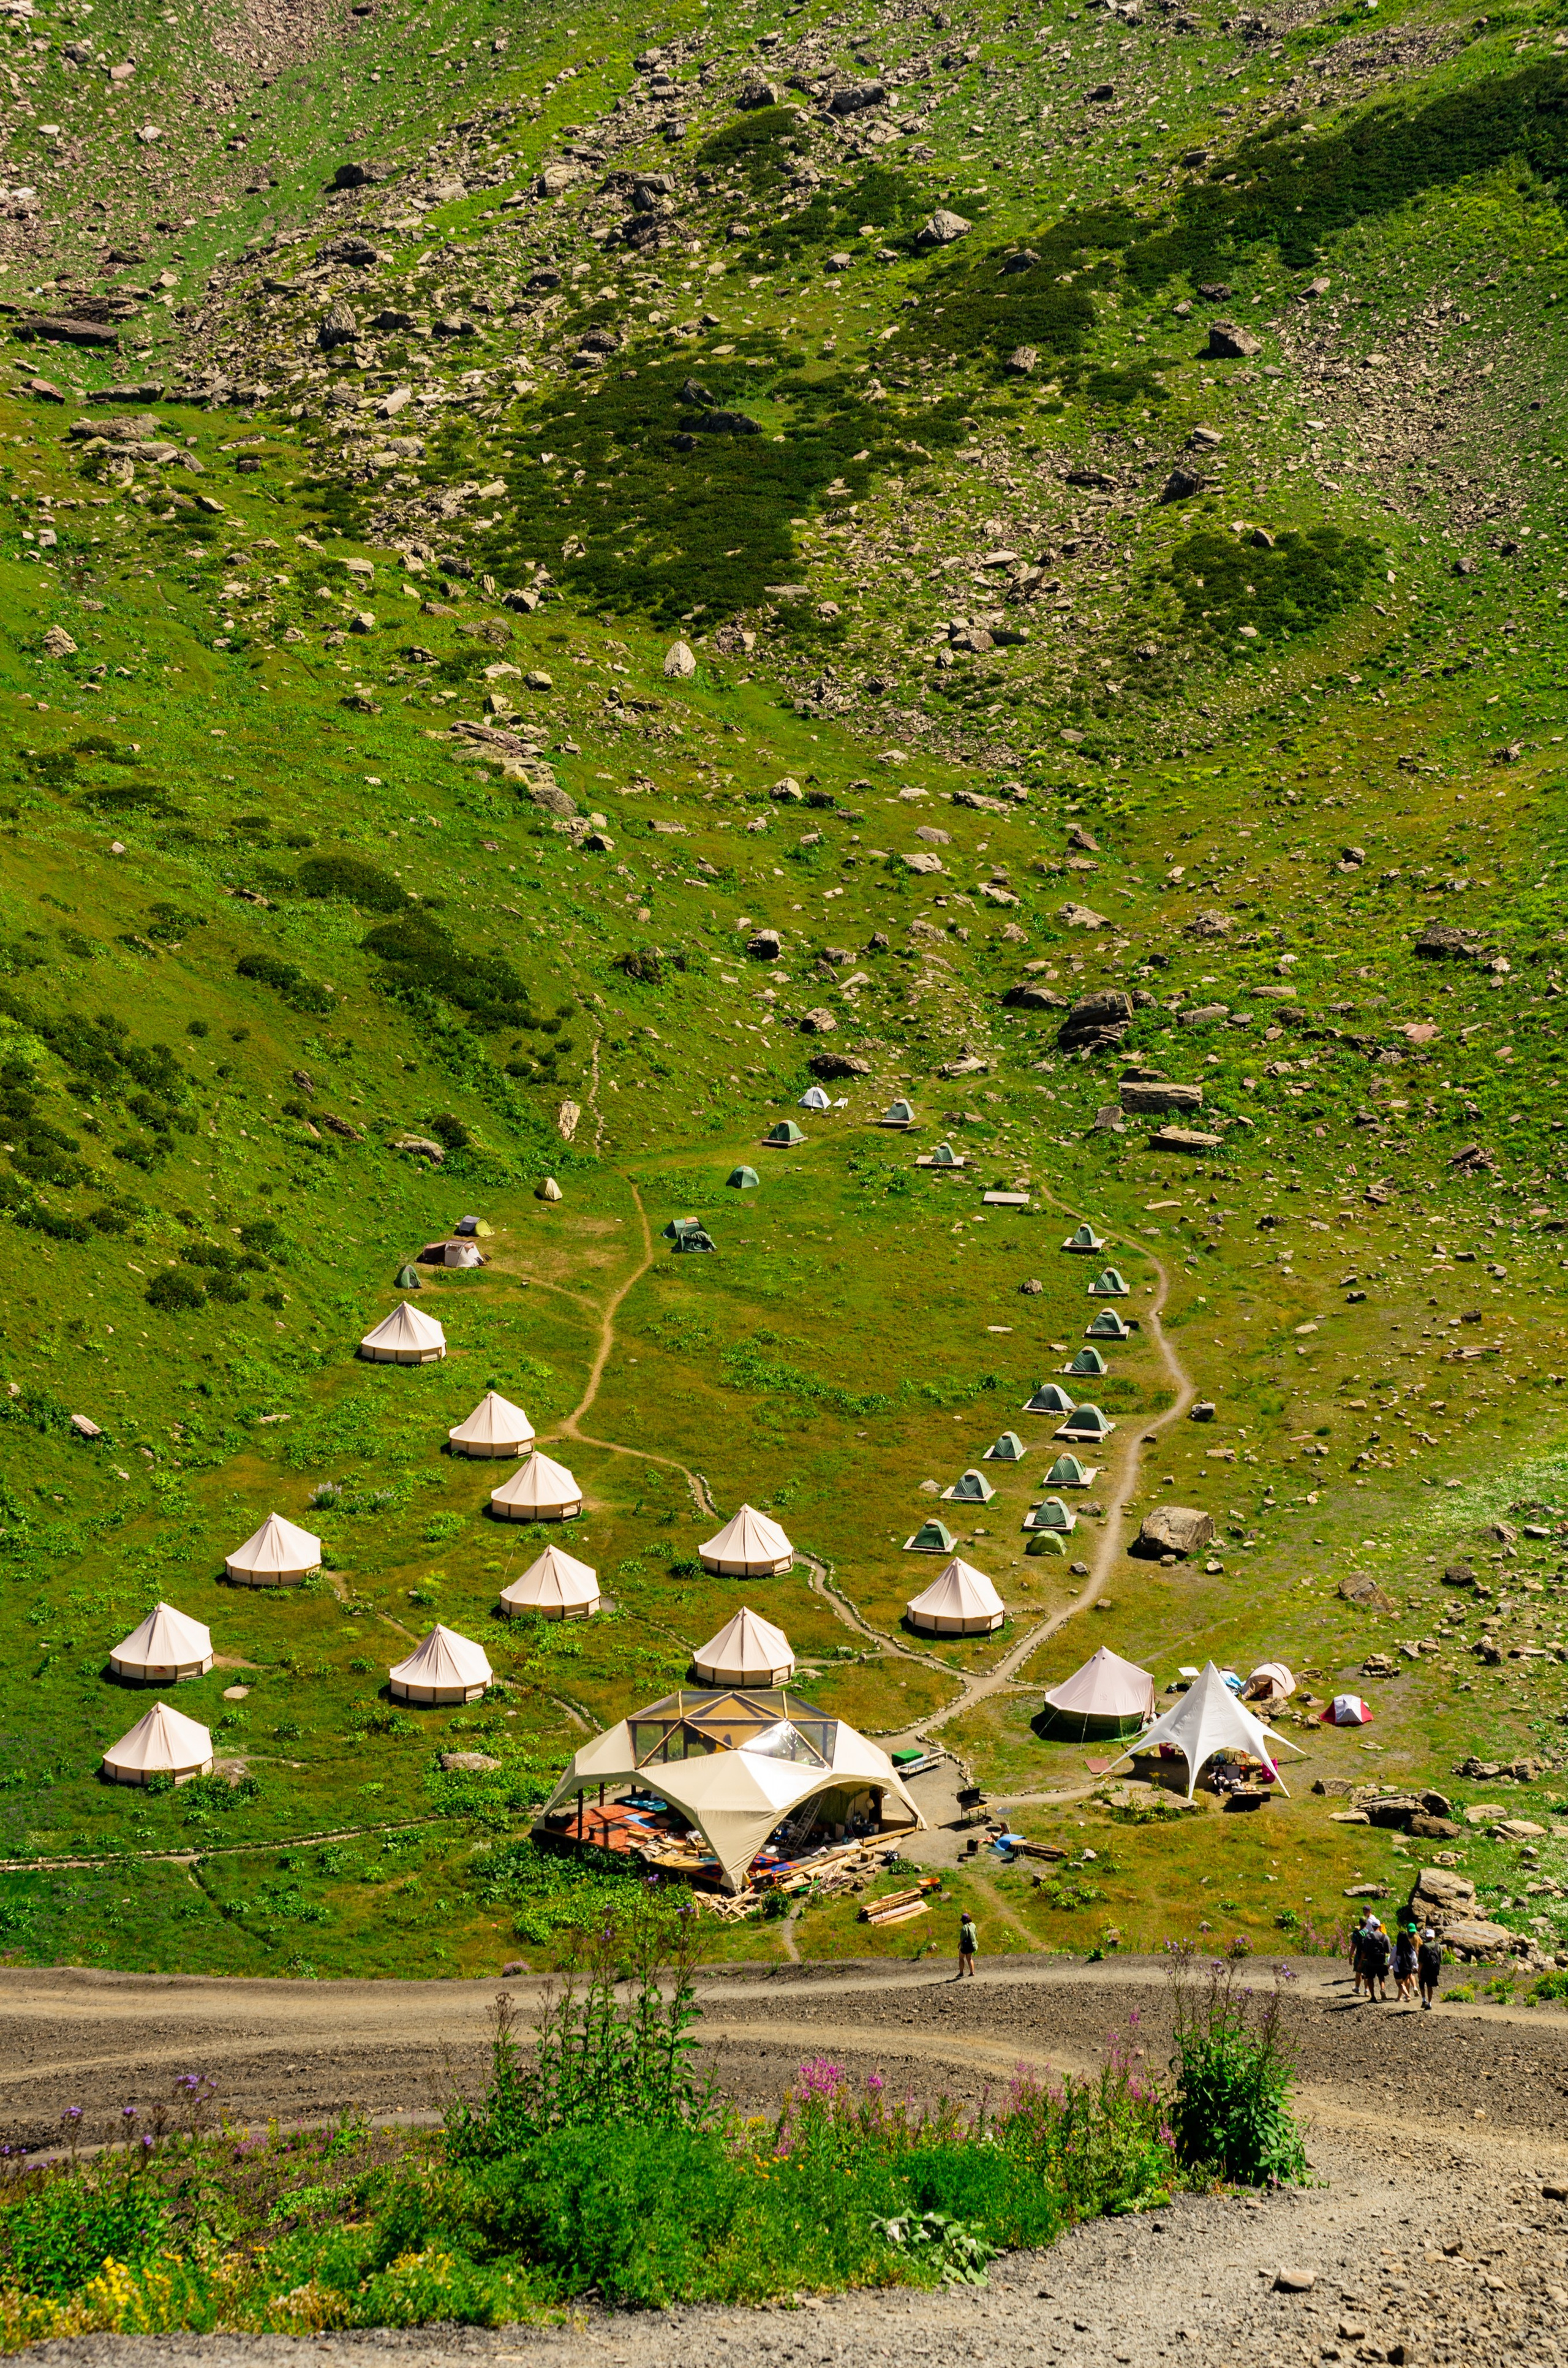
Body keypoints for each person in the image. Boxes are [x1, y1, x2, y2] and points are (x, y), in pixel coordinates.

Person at [1365, 1916, 1392, 2002]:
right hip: (1381, 1961)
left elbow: (1365, 1949)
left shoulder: (1368, 1937)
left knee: (1370, 1978)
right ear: (1380, 1927)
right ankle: (1382, 1989)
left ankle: (1373, 1997)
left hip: (1371, 1961)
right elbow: (1388, 1951)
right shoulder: (1385, 1937)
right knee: (1381, 1977)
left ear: (1373, 1927)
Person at [1418, 1924, 1443, 2011]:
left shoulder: (1423, 1947)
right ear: (1434, 1936)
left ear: (1426, 1936)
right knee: (1430, 1986)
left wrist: (1419, 1972)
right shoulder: (1438, 1946)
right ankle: (1430, 2003)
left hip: (1425, 1969)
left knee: (1422, 1984)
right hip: (1433, 1970)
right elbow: (1440, 1959)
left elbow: (1420, 1962)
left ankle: (1424, 1999)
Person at [1393, 1921, 1418, 2003]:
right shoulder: (1409, 1946)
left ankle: (1407, 1995)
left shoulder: (1397, 1947)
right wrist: (1415, 1965)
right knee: (1405, 1980)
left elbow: (1393, 1957)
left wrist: (1389, 1964)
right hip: (1408, 1967)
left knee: (1399, 1984)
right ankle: (1399, 1997)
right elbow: (1414, 1955)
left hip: (1399, 1968)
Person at [957, 1909, 978, 1979]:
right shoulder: (973, 1925)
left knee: (961, 1958)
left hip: (965, 1946)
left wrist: (959, 1944)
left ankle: (961, 1973)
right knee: (969, 1958)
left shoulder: (964, 1927)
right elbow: (976, 1934)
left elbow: (962, 1938)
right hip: (972, 1945)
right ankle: (972, 1972)